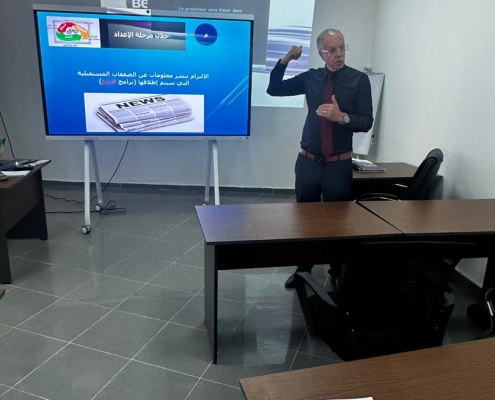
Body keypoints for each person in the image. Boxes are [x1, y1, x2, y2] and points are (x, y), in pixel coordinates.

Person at [266, 29, 373, 289]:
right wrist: (285, 60)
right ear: (321, 53)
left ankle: (336, 270)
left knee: (337, 223)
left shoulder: (359, 80)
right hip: (308, 163)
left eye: (342, 48)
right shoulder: (311, 78)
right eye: (332, 50)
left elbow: (366, 121)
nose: (339, 54)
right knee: (305, 219)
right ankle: (304, 268)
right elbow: (274, 89)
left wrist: (341, 117)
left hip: (338, 164)